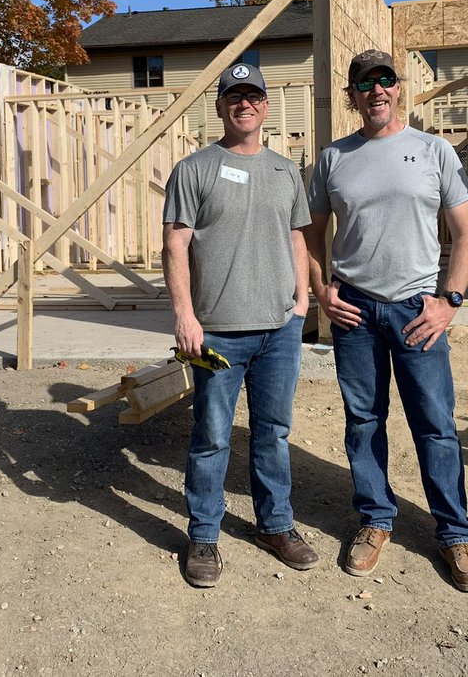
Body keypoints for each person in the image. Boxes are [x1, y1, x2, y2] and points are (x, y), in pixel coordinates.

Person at [304, 49, 468, 592]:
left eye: (386, 80)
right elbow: (311, 234)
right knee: (364, 421)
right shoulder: (333, 158)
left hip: (416, 310)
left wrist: (448, 302)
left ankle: (454, 533)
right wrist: (320, 292)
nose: (377, 90)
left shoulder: (433, 151)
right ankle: (375, 521)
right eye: (365, 82)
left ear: (398, 89)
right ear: (352, 95)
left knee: (436, 425)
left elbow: (466, 232)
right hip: (355, 309)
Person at [163, 62, 316, 588]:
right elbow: (176, 243)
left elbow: (298, 237)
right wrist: (185, 314)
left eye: (253, 96)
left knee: (272, 433)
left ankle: (275, 525)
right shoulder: (195, 168)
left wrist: (301, 302)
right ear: (221, 105)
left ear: (266, 106)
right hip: (218, 332)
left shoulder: (285, 171)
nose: (243, 104)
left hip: (279, 330)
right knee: (210, 437)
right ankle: (204, 533)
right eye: (234, 96)